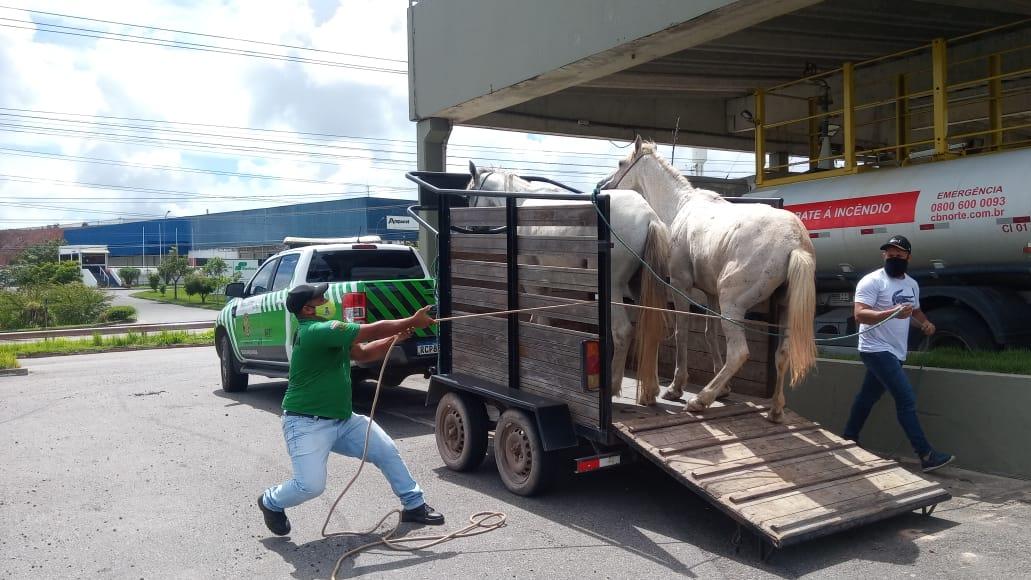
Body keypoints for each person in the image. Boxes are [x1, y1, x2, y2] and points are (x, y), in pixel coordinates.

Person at [258, 283, 443, 536]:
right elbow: (371, 330)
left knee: (385, 449)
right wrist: (412, 321)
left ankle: (414, 505)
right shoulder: (317, 331)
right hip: (305, 424)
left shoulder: (328, 332)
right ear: (307, 309)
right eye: (320, 299)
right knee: (311, 486)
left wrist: (394, 339)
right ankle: (270, 501)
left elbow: (363, 353)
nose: (327, 301)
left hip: (342, 419)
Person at [843, 235, 954, 473]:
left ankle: (849, 437)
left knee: (867, 397)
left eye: (899, 254)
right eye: (889, 254)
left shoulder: (911, 284)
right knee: (906, 400)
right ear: (884, 255)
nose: (893, 257)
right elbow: (860, 315)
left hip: (896, 351)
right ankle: (926, 454)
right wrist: (892, 312)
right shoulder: (872, 281)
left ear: (908, 257)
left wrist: (925, 323)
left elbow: (915, 312)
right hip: (875, 349)